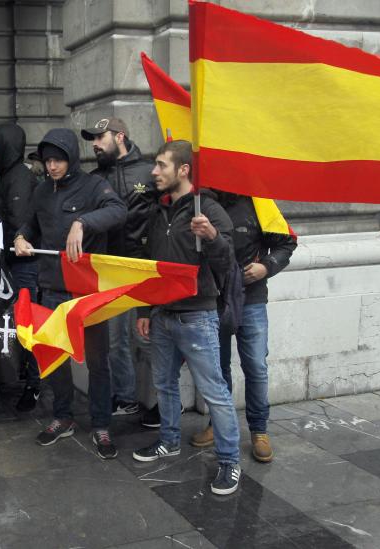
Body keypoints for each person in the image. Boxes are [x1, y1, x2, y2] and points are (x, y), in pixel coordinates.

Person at [132, 140, 241, 496]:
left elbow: (228, 264)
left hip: (197, 317)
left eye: (161, 165)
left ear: (183, 170)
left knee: (214, 393)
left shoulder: (208, 209)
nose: (154, 171)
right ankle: (169, 440)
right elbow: (151, 269)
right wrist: (147, 310)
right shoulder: (159, 210)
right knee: (163, 384)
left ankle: (229, 462)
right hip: (162, 315)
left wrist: (211, 238)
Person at [14, 128, 127, 459]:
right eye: (48, 160)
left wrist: (83, 222)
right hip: (51, 288)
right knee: (55, 357)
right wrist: (22, 237)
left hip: (87, 291)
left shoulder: (94, 186)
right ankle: (62, 417)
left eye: (58, 160)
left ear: (71, 158)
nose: (52, 166)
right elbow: (29, 224)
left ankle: (101, 424)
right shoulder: (40, 191)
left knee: (97, 361)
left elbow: (118, 210)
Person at [190, 192, 297, 463]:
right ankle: (218, 425)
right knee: (217, 367)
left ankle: (259, 430)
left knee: (256, 367)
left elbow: (287, 243)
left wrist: (266, 267)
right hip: (212, 298)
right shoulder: (201, 203)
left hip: (251, 299)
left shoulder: (259, 202)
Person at [81, 117, 158, 419]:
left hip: (144, 269)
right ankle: (126, 397)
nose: (95, 145)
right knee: (114, 341)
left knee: (148, 339)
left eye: (100, 137)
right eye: (93, 139)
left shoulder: (150, 171)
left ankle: (162, 403)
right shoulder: (94, 178)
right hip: (108, 270)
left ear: (120, 136)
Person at [0, 123, 41, 411]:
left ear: (3, 145)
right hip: (11, 266)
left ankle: (34, 384)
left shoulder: (19, 179)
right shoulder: (6, 176)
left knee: (26, 323)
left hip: (24, 267)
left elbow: (20, 223)